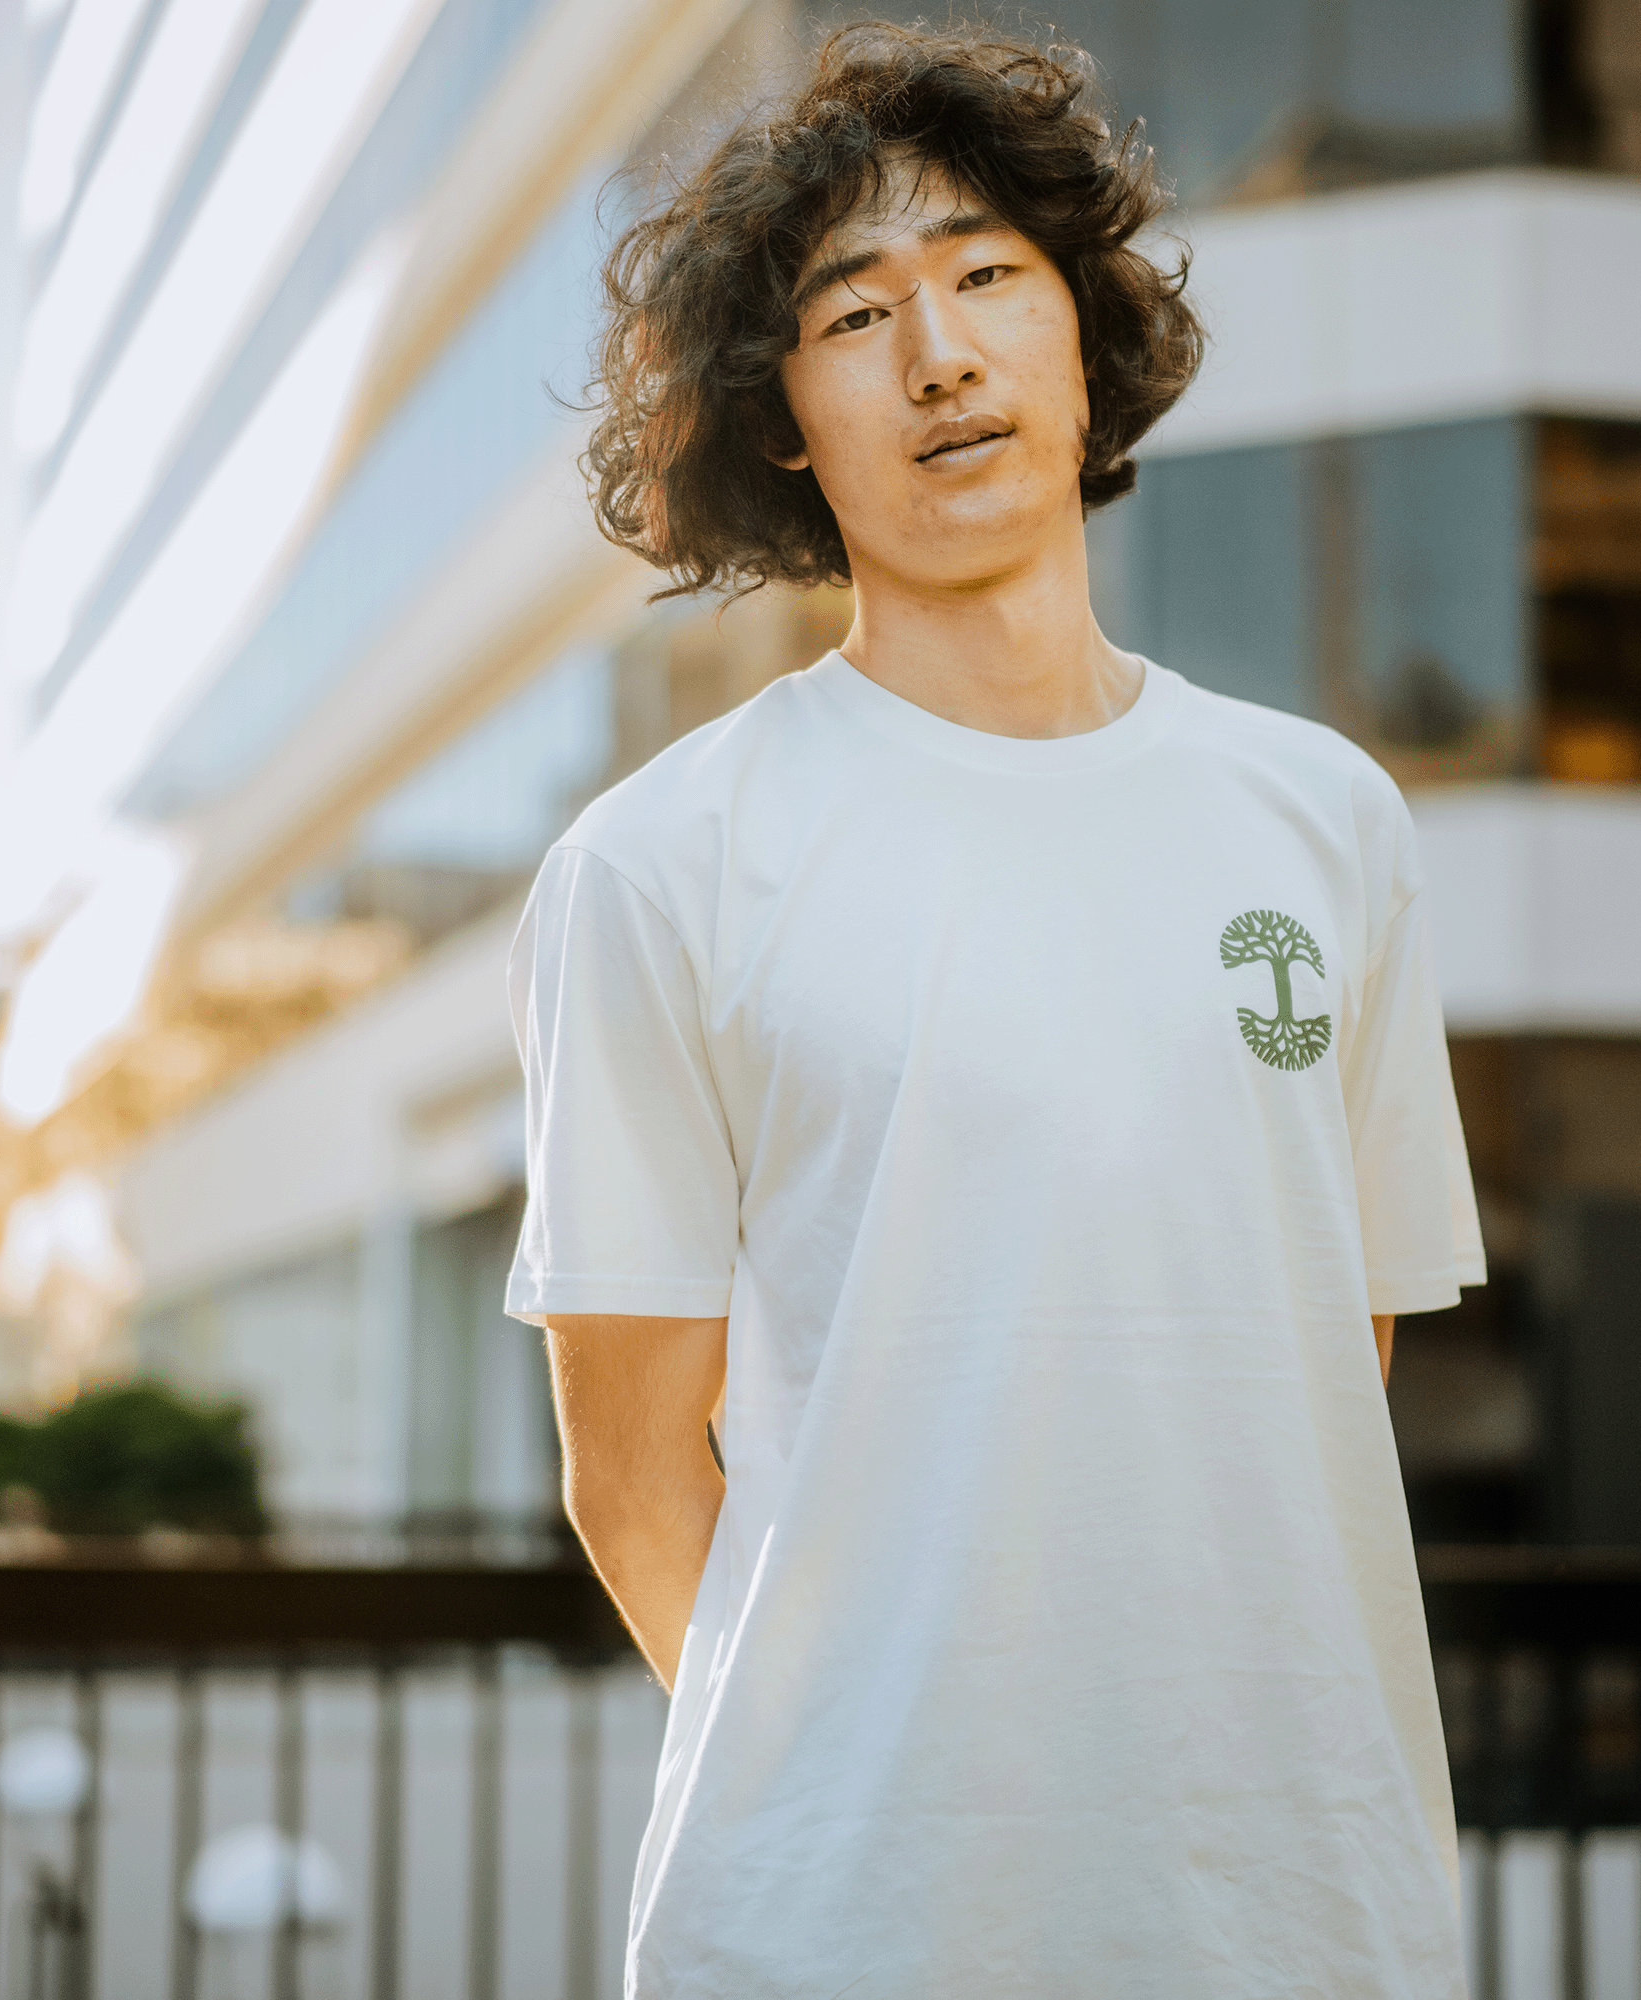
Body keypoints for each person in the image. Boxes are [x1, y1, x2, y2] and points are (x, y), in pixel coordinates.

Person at [505, 20, 1485, 1997]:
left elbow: (1324, 1339)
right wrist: (841, 1792)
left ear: (1077, 336)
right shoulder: (659, 863)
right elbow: (627, 1468)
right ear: (780, 417)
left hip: (1296, 1908)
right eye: (851, 315)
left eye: (982, 278)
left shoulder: (1324, 823)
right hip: (831, 1934)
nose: (935, 352)